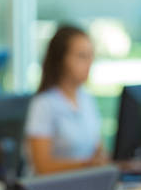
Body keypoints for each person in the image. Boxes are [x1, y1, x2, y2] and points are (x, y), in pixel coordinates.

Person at [25, 25, 108, 175]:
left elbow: (98, 150)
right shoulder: (44, 104)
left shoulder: (86, 98)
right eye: (81, 56)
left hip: (87, 185)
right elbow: (41, 167)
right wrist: (85, 165)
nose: (89, 63)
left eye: (91, 56)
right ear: (61, 59)